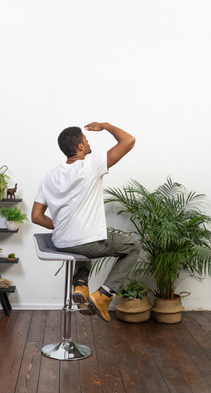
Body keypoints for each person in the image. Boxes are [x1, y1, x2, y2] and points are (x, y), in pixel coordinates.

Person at [31, 122, 141, 322]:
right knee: (133, 246)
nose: (88, 143)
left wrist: (62, 225)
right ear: (80, 147)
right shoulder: (91, 165)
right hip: (85, 244)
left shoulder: (50, 176)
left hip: (61, 243)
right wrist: (105, 125)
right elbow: (128, 141)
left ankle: (80, 284)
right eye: (86, 140)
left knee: (84, 239)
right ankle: (104, 295)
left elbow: (36, 216)